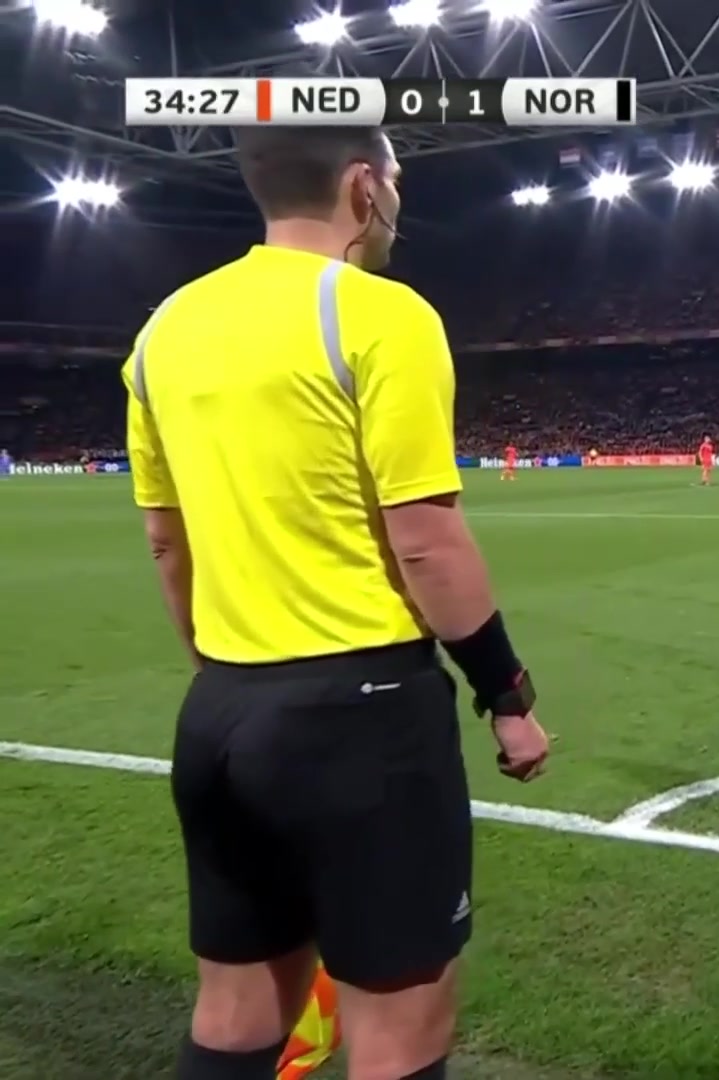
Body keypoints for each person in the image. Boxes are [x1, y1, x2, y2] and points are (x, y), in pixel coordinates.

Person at [127, 125, 551, 1080]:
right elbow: (426, 541)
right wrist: (508, 695)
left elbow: (165, 540)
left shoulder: (162, 332)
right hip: (363, 723)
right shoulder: (380, 314)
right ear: (363, 186)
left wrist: (227, 673)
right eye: (394, 180)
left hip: (221, 713)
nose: (396, 200)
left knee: (236, 1013)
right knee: (398, 1031)